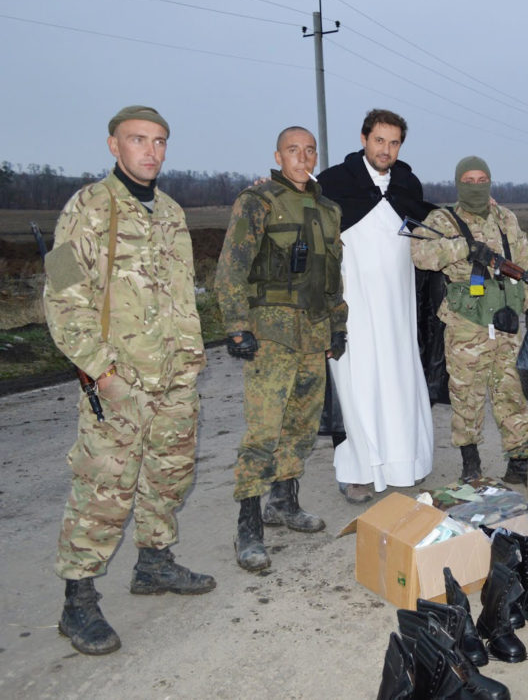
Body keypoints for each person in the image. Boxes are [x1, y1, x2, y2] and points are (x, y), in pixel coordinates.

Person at [43, 105, 214, 656]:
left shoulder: (170, 211)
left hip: (175, 379)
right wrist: (104, 375)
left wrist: (190, 365)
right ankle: (78, 602)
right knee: (103, 492)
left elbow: (181, 296)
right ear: (113, 145)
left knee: (168, 477)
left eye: (160, 141)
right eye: (138, 140)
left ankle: (155, 563)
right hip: (119, 382)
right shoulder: (87, 209)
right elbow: (62, 299)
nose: (152, 151)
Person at [215, 126, 347, 571]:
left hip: (313, 334)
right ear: (278, 155)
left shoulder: (329, 209)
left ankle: (284, 503)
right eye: (294, 150)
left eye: (310, 150)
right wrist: (236, 326)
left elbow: (333, 277)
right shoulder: (258, 202)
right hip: (270, 333)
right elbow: (230, 268)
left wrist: (338, 327)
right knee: (263, 432)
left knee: (301, 427)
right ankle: (248, 527)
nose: (303, 157)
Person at [316, 110, 435, 504]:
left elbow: (431, 222)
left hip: (398, 309)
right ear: (364, 138)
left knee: (399, 382)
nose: (386, 149)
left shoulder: (406, 184)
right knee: (357, 385)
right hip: (354, 307)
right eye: (379, 140)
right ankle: (357, 473)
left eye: (394, 142)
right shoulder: (334, 183)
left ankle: (404, 464)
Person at [410, 156, 528, 484]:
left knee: (510, 391)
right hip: (466, 323)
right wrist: (464, 248)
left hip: (505, 319)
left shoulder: (505, 218)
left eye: (483, 180)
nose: (477, 186)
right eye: (470, 180)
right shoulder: (443, 219)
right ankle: (471, 462)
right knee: (467, 395)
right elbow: (420, 255)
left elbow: (524, 265)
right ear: (458, 183)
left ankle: (519, 461)